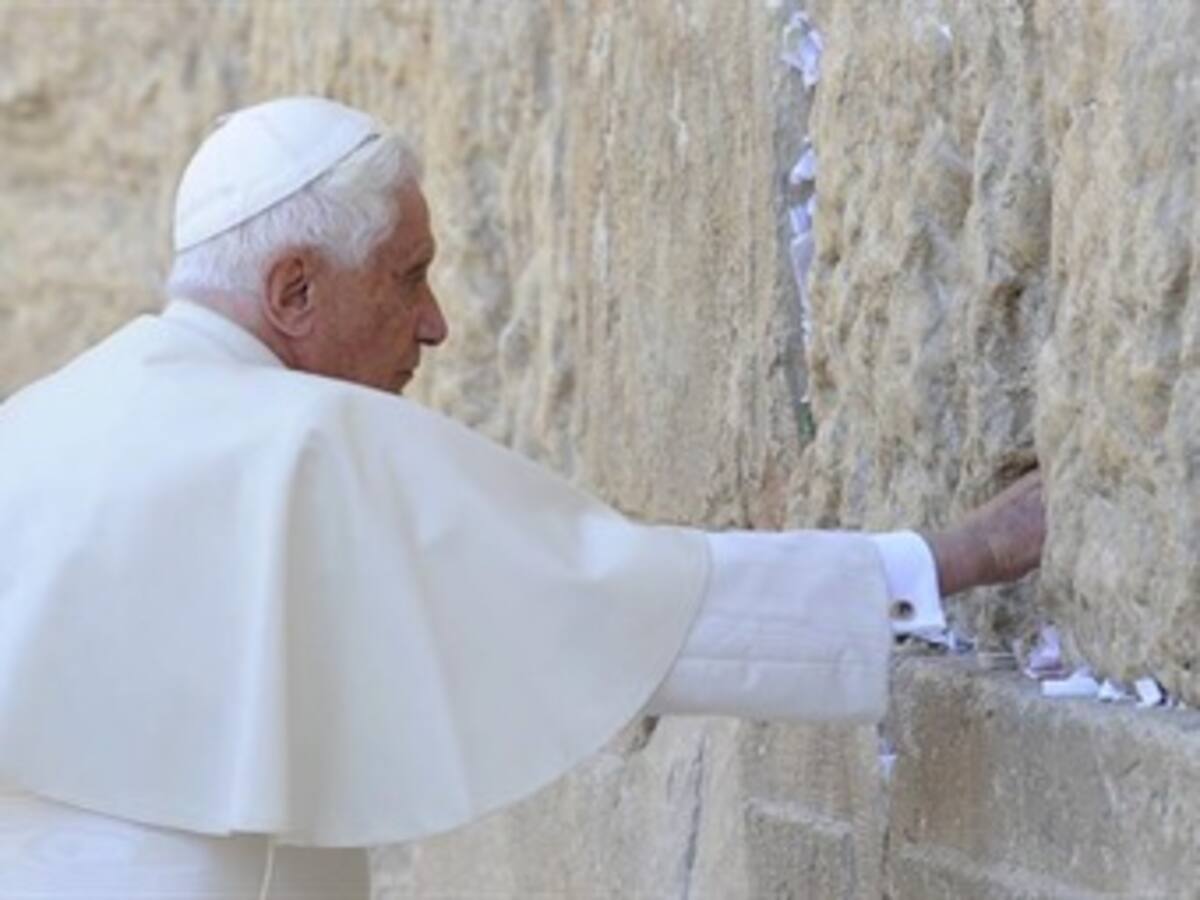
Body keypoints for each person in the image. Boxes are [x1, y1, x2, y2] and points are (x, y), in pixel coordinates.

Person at [0, 97, 1044, 899]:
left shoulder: (29, 429)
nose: (435, 324)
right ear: (293, 291)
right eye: (408, 276)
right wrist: (954, 559)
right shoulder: (310, 444)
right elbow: (625, 607)